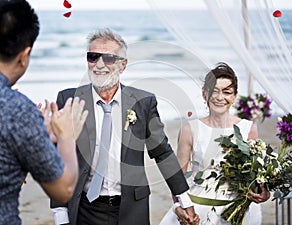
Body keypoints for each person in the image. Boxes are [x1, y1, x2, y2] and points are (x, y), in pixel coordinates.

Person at [50, 28, 200, 225]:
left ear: (123, 65)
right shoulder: (69, 99)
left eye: (109, 58)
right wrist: (60, 212)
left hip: (131, 209)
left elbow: (162, 152)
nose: (100, 64)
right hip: (84, 208)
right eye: (93, 57)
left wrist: (183, 198)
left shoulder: (143, 102)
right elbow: (57, 158)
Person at [0, 0, 88, 224]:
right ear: (23, 56)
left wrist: (38, 142)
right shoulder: (17, 110)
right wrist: (66, 136)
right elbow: (64, 189)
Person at [160, 62, 270, 225]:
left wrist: (264, 192)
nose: (220, 97)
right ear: (205, 95)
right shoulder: (189, 129)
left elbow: (255, 175)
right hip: (198, 209)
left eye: (227, 92)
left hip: (234, 211)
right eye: (215, 91)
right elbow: (178, 178)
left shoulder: (248, 129)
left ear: (234, 96)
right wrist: (177, 205)